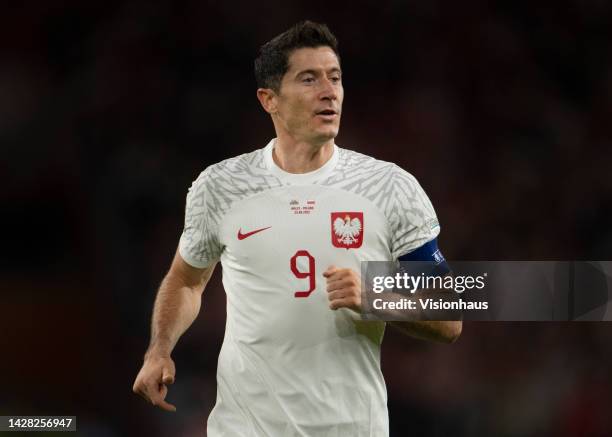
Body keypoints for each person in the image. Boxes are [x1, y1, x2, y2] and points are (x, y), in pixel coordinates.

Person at [133, 20, 461, 436]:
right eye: (309, 79)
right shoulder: (221, 186)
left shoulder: (390, 187)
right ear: (269, 99)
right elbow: (187, 281)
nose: (329, 91)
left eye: (335, 77)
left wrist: (376, 295)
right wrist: (159, 349)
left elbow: (451, 316)